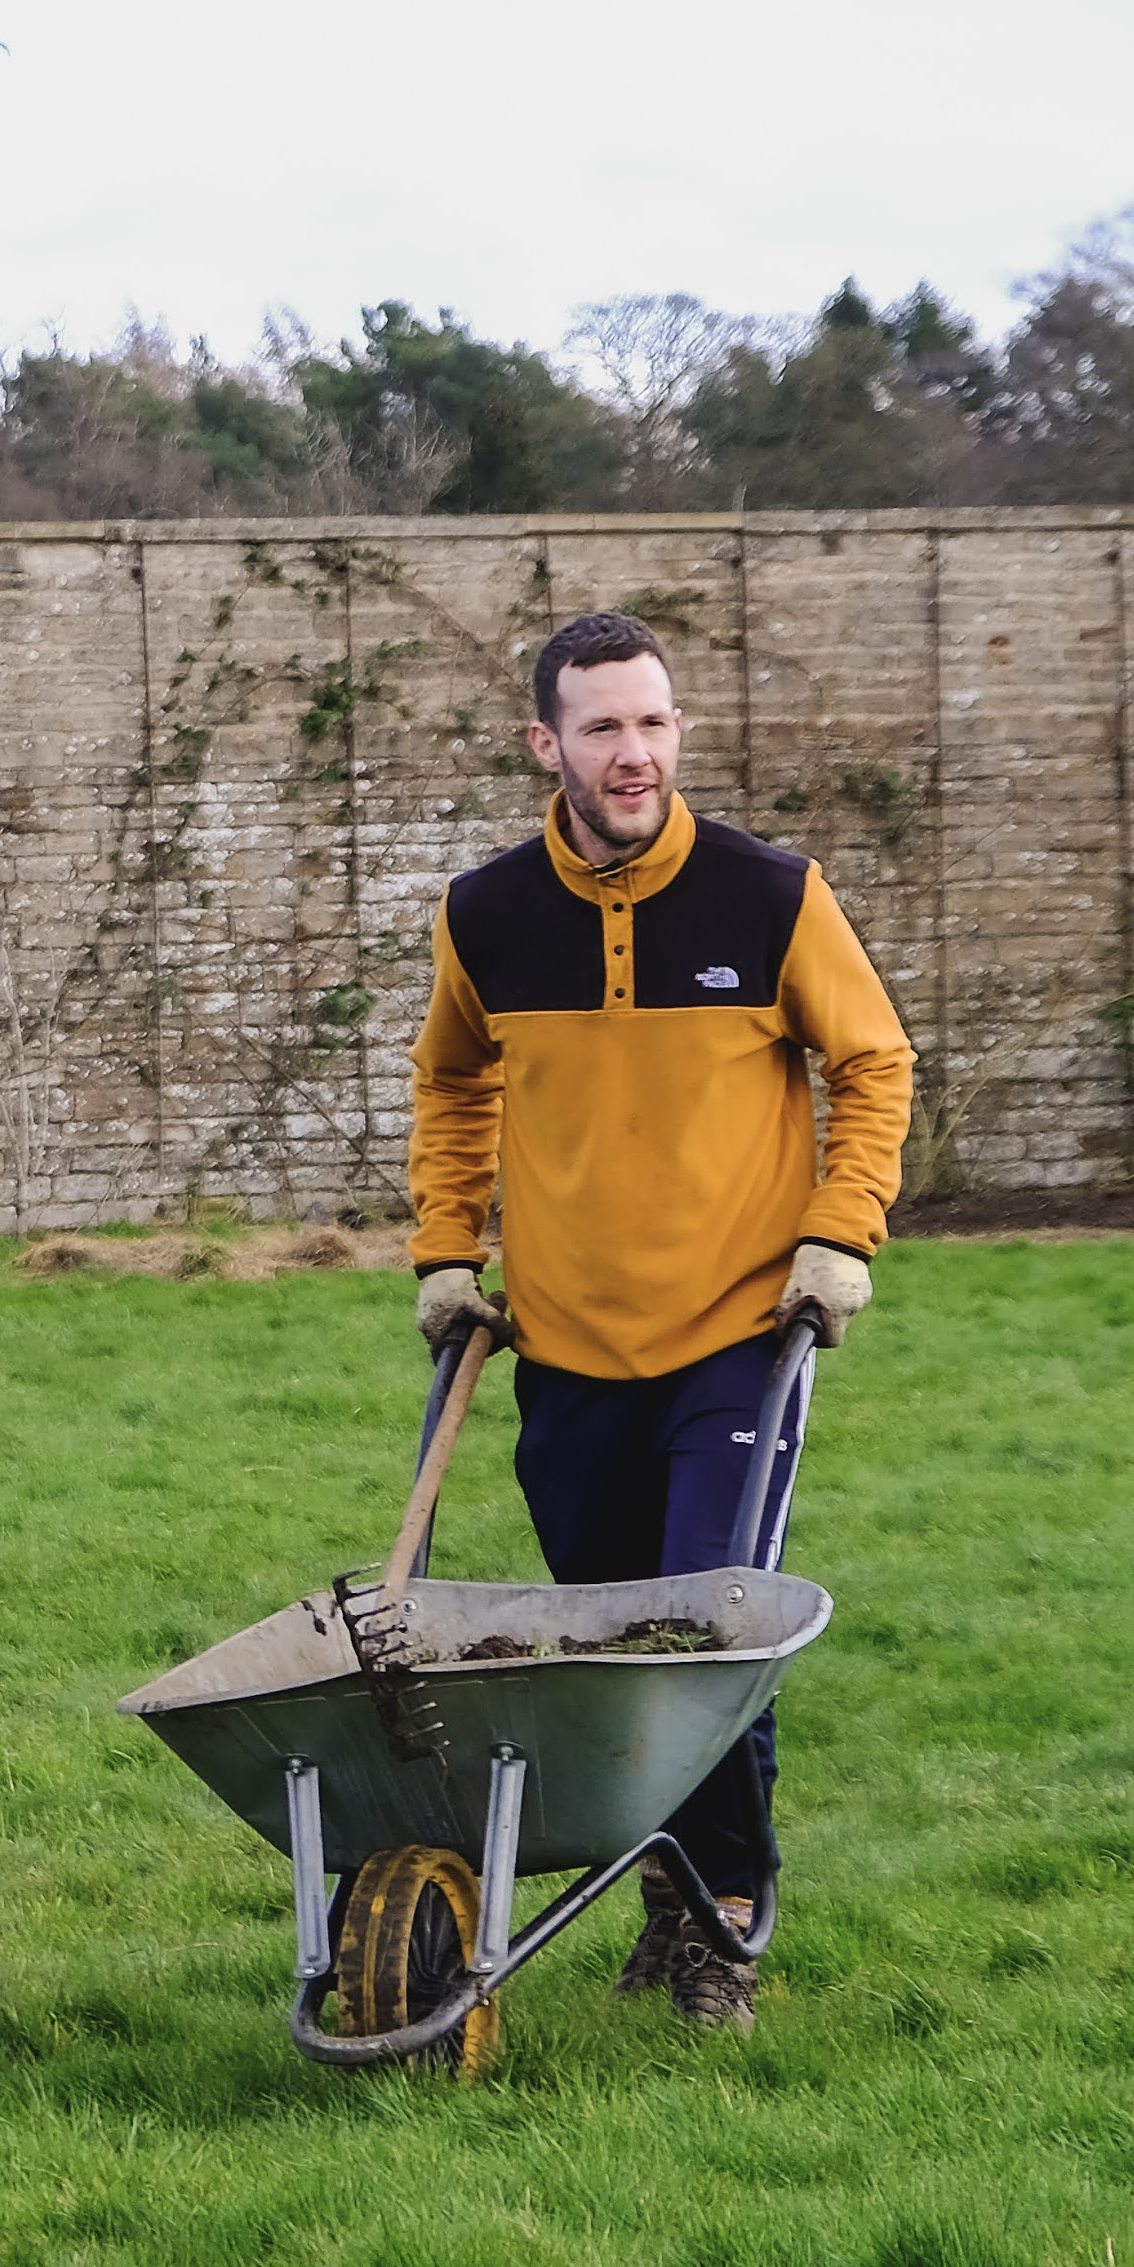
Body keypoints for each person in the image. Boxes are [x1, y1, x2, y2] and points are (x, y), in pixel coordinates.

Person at [406, 609, 913, 2029]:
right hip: (566, 1350)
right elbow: (450, 1080)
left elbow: (873, 1061)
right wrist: (447, 1251)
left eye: (652, 721)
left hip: (740, 1337)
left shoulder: (770, 897)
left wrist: (837, 1233)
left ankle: (720, 1922)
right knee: (613, 1651)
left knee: (705, 1628)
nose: (633, 754)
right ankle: (667, 1897)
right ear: (546, 744)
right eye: (602, 728)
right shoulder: (488, 915)